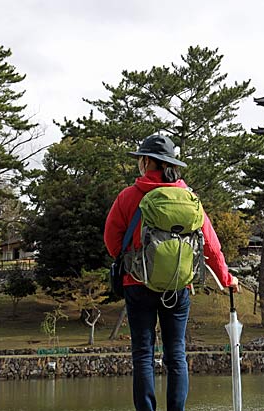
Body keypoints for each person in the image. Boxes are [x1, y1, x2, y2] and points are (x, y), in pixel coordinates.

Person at [104, 134, 239, 411]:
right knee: (175, 353)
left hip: (137, 283)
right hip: (178, 287)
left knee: (143, 353)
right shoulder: (190, 199)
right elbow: (211, 246)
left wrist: (131, 256)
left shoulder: (129, 197)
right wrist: (226, 278)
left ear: (147, 162)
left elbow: (111, 241)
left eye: (141, 159)